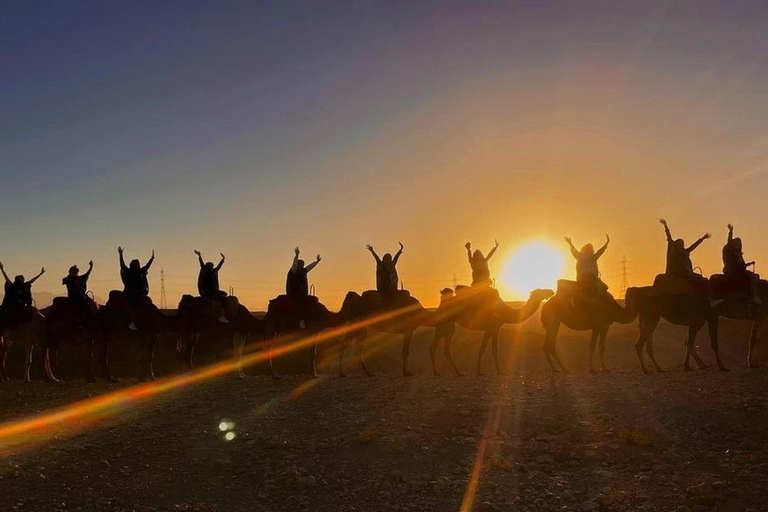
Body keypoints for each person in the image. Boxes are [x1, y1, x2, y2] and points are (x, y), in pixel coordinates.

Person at [659, 219, 717, 302]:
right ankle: (709, 299)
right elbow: (669, 238)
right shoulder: (674, 253)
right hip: (680, 272)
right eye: (678, 243)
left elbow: (693, 246)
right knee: (700, 280)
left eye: (681, 244)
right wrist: (666, 226)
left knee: (700, 279)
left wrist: (702, 239)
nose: (680, 245)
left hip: (685, 272)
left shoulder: (684, 252)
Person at [722, 224, 761, 304]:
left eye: (739, 243)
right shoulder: (730, 252)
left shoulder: (738, 254)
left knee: (756, 276)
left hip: (739, 271)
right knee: (753, 277)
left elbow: (741, 266)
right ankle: (753, 296)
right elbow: (729, 243)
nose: (738, 244)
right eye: (736, 243)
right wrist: (731, 232)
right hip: (733, 272)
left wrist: (749, 264)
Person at [118, 247, 154, 331]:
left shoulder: (140, 271)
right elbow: (122, 265)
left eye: (137, 264)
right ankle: (131, 323)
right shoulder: (128, 271)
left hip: (140, 294)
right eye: (135, 264)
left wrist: (152, 258)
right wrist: (120, 255)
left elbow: (147, 267)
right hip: (130, 294)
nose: (136, 265)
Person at [194, 250, 229, 323]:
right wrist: (199, 256)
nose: (210, 267)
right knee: (222, 299)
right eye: (209, 266)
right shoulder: (205, 271)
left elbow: (219, 266)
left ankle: (222, 313)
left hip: (214, 291)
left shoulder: (214, 271)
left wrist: (222, 259)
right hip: (208, 292)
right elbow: (201, 264)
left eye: (211, 266)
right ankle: (221, 317)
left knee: (224, 295)